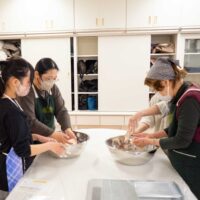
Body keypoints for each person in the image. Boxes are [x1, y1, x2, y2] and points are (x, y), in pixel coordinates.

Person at [131, 57, 200, 199]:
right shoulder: (181, 95)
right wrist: (151, 136)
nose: (159, 94)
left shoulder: (190, 99)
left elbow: (182, 140)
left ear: (165, 82)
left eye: (158, 89)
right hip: (183, 160)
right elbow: (174, 129)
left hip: (194, 163)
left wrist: (149, 142)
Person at [0, 58, 65, 198]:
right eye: (28, 82)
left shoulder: (10, 103)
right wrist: (49, 145)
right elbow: (23, 149)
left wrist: (37, 137)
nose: (30, 86)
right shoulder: (12, 112)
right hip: (7, 173)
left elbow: (15, 134)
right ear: (15, 82)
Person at [18, 58, 75, 143]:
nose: (51, 82)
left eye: (54, 78)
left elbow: (61, 110)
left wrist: (67, 128)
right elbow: (30, 121)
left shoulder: (53, 88)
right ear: (37, 74)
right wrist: (53, 134)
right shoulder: (27, 91)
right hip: (32, 140)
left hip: (50, 137)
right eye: (48, 78)